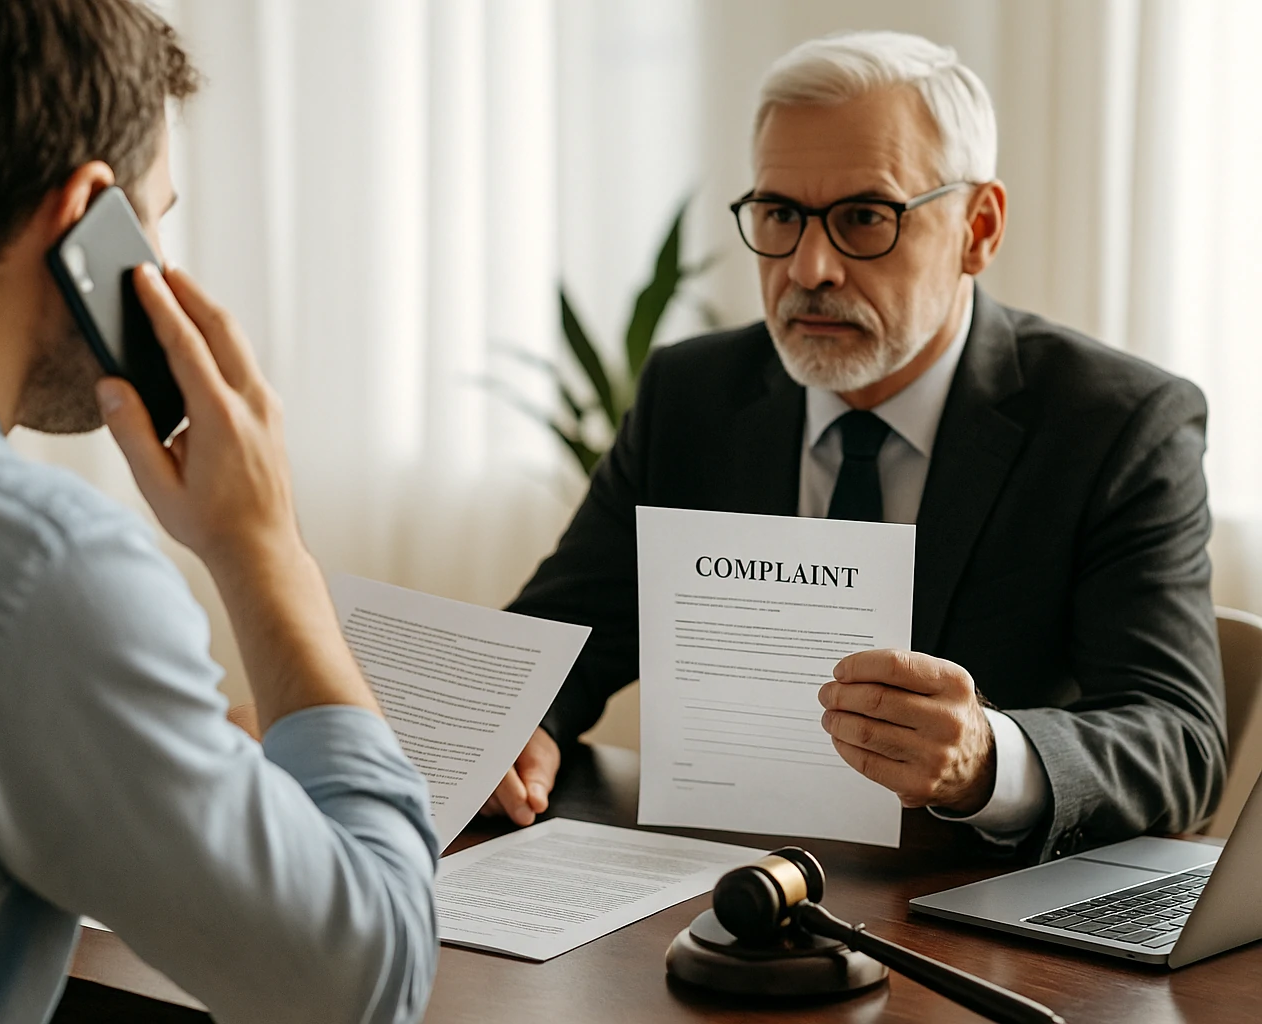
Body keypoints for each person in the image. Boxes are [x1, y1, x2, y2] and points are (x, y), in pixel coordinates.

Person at [0, 2, 435, 1022]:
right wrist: (264, 551)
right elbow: (362, 985)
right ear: (86, 218)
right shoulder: (33, 561)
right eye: (158, 216)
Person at [483, 30, 1227, 862]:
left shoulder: (1115, 424)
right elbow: (560, 635)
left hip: (967, 916)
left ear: (978, 228)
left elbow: (1180, 738)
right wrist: (522, 727)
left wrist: (987, 761)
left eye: (865, 217)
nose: (810, 268)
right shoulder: (691, 396)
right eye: (779, 214)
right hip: (715, 886)